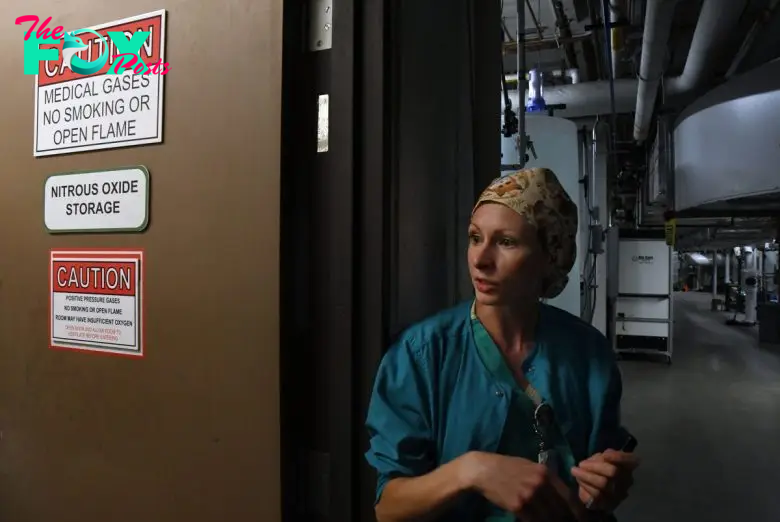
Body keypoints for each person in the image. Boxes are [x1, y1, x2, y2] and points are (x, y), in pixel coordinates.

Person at [364, 167, 639, 522]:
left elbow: (600, 477)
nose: (480, 260)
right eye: (475, 237)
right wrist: (471, 471)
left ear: (549, 255)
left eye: (506, 242)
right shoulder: (422, 355)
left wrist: (606, 486)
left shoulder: (588, 354)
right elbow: (389, 508)